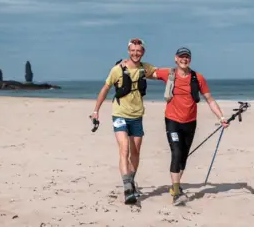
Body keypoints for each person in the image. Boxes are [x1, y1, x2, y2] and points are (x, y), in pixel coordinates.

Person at [153, 47, 229, 205]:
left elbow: (210, 99)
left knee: (183, 158)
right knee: (176, 152)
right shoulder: (168, 73)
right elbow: (148, 72)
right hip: (172, 120)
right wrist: (126, 66)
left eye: (187, 57)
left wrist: (221, 117)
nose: (184, 59)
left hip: (190, 122)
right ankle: (175, 192)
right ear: (176, 58)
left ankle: (176, 186)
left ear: (190, 59)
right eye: (181, 57)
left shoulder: (198, 78)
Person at [90, 38, 156, 205]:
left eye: (138, 51)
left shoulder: (145, 68)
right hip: (119, 114)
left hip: (137, 116)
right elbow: (105, 89)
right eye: (133, 50)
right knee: (124, 149)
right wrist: (96, 111)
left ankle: (130, 181)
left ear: (143, 52)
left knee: (135, 153)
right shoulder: (117, 70)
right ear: (128, 51)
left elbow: (161, 74)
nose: (135, 53)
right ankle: (127, 189)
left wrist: (180, 72)